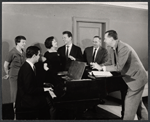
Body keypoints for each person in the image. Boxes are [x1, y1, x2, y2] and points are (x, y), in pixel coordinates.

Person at [91, 30, 148, 120]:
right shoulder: (111, 48)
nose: (104, 41)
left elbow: (118, 67)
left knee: (129, 107)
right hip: (131, 79)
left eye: (105, 38)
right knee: (138, 105)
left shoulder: (124, 48)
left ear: (111, 39)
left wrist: (102, 68)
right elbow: (109, 62)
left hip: (137, 79)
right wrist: (99, 66)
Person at [15, 46, 56, 119]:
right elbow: (29, 90)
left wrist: (44, 84)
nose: (39, 57)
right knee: (48, 105)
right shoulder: (27, 69)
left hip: (27, 97)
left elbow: (31, 83)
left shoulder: (28, 66)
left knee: (46, 100)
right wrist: (44, 89)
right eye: (39, 55)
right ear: (34, 56)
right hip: (26, 101)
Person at [3, 36, 26, 110]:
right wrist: (8, 73)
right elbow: (5, 65)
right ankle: (15, 113)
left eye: (25, 42)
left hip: (22, 76)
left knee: (22, 93)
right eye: (23, 42)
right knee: (15, 94)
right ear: (17, 42)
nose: (24, 44)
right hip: (14, 76)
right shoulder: (12, 52)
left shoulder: (23, 52)